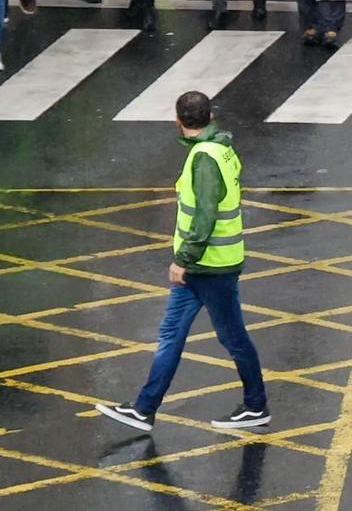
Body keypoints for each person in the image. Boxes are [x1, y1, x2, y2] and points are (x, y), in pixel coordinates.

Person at [97, 90, 270, 434]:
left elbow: (205, 216)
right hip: (209, 265)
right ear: (210, 116)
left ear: (177, 121)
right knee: (173, 334)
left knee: (232, 337)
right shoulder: (220, 148)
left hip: (209, 266)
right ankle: (144, 409)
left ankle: (256, 406)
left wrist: (183, 259)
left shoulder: (204, 158)